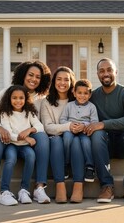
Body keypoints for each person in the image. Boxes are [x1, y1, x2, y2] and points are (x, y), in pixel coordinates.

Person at [0, 60, 51, 205]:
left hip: (28, 141)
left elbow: (39, 125)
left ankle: (39, 188)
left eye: (38, 77)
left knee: (43, 138)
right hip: (7, 138)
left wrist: (30, 132)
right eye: (30, 75)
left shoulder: (40, 100)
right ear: (23, 75)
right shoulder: (7, 93)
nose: (33, 79)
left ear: (42, 80)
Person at [85, 58, 124, 204]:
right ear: (97, 74)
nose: (106, 73)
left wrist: (103, 124)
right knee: (97, 135)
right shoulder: (93, 96)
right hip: (105, 145)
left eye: (109, 70)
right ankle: (106, 186)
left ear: (116, 72)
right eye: (102, 70)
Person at [40, 66, 85, 203]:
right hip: (56, 139)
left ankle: (78, 185)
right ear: (54, 82)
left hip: (74, 138)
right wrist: (68, 126)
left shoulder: (78, 100)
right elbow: (47, 127)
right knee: (56, 141)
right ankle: (60, 185)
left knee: (77, 142)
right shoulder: (47, 102)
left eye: (66, 79)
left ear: (72, 82)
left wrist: (79, 127)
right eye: (59, 79)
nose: (62, 83)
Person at [0, 85, 43, 205]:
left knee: (31, 156)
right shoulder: (5, 113)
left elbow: (40, 126)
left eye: (21, 98)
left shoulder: (29, 112)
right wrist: (25, 137)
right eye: (14, 98)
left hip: (25, 146)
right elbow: (8, 133)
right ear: (9, 99)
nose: (18, 101)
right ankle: (4, 192)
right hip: (11, 144)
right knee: (11, 159)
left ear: (26, 99)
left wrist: (30, 130)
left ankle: (24, 191)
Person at [59, 79, 98, 183]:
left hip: (84, 131)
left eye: (86, 93)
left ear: (90, 95)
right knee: (67, 138)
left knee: (86, 142)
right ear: (74, 93)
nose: (82, 96)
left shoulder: (91, 107)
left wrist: (83, 125)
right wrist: (70, 126)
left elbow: (94, 122)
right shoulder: (69, 105)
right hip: (70, 129)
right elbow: (62, 119)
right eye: (79, 93)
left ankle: (90, 167)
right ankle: (65, 164)